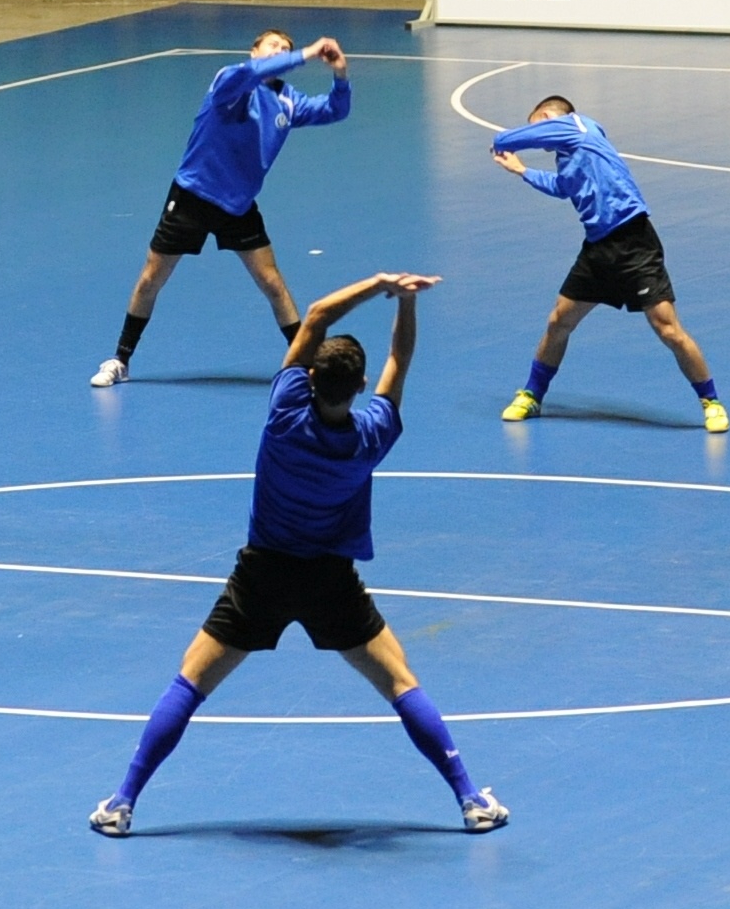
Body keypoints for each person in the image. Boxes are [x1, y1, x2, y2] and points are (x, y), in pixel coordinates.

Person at [91, 273, 508, 836]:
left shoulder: (285, 412)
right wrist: (406, 302)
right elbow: (399, 361)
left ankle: (122, 801)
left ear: (310, 378)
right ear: (358, 386)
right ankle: (470, 800)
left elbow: (313, 316)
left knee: (189, 684)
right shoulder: (371, 437)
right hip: (330, 583)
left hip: (261, 575)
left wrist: (379, 284)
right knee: (402, 684)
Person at [90, 31, 351, 387]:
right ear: (254, 51)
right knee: (152, 278)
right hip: (193, 195)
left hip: (238, 206)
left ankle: (304, 364)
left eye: (285, 49)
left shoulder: (289, 102)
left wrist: (339, 74)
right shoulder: (230, 80)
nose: (280, 51)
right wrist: (305, 53)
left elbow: (336, 110)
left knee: (273, 283)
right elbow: (249, 75)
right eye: (273, 45)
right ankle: (120, 360)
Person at [485, 94, 729, 433]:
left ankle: (711, 402)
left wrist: (500, 143)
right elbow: (562, 187)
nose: (539, 138)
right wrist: (523, 171)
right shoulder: (570, 156)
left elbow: (510, 139)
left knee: (667, 328)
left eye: (536, 125)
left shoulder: (576, 128)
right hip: (598, 250)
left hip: (634, 244)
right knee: (559, 321)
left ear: (546, 117)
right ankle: (532, 395)